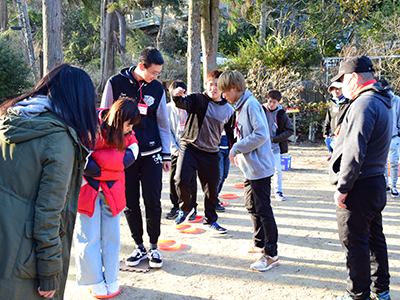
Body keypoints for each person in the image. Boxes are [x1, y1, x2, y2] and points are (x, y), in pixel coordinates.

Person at [0, 64, 98, 300]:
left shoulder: (10, 119)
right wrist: (49, 274)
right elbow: (48, 214)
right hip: (22, 256)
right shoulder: (59, 140)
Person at [101, 47, 171, 269]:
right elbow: (104, 116)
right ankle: (139, 246)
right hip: (124, 155)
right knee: (130, 202)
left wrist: (166, 153)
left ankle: (154, 246)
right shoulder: (115, 83)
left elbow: (163, 123)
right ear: (141, 66)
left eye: (159, 72)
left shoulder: (157, 88)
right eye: (153, 72)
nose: (156, 76)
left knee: (153, 200)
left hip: (151, 153)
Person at [329, 56, 392, 300]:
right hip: (374, 181)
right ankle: (381, 290)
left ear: (354, 78)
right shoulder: (382, 100)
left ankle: (357, 295)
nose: (342, 86)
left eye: (343, 80)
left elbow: (355, 150)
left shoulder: (364, 103)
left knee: (355, 244)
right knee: (375, 239)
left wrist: (343, 187)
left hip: (359, 185)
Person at [74, 98, 140, 298]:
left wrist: (100, 162)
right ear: (119, 119)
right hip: (89, 189)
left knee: (112, 236)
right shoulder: (90, 125)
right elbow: (82, 157)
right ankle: (94, 280)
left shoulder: (126, 132)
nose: (130, 130)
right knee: (88, 235)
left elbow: (133, 150)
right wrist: (114, 162)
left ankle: (111, 277)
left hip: (113, 190)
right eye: (128, 125)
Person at [218, 70, 279, 271]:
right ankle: (259, 243)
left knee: (263, 209)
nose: (223, 96)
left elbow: (261, 134)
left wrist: (237, 148)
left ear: (234, 88)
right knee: (251, 205)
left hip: (260, 168)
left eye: (225, 91)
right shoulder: (240, 106)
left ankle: (271, 254)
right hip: (250, 169)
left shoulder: (251, 105)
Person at [171, 69, 234, 233]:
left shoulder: (228, 110)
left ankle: (210, 221)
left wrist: (234, 151)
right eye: (210, 85)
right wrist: (176, 95)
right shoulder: (196, 98)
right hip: (190, 147)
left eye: (217, 86)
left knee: (211, 190)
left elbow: (230, 133)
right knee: (181, 180)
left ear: (223, 88)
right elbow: (180, 103)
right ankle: (185, 209)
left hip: (211, 152)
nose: (213, 89)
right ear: (206, 85)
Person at [166, 80, 198, 220]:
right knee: (174, 179)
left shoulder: (190, 106)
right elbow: (166, 131)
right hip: (175, 149)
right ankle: (175, 206)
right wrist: (175, 148)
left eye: (182, 92)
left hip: (190, 149)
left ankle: (192, 207)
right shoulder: (166, 108)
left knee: (191, 180)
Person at [263, 90, 294, 201]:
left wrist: (275, 139)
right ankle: (264, 192)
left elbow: (290, 130)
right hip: (261, 147)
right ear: (267, 100)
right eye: (270, 101)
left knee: (277, 170)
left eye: (274, 102)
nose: (271, 104)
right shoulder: (261, 110)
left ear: (278, 102)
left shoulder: (282, 114)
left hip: (275, 146)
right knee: (262, 170)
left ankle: (278, 191)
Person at [378, 79, 400, 198]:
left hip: (393, 136)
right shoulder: (377, 100)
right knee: (383, 163)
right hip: (381, 136)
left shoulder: (395, 100)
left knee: (393, 162)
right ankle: (385, 184)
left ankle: (394, 185)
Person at [323, 81, 351, 157]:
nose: (335, 91)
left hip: (344, 135)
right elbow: (328, 118)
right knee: (333, 156)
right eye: (333, 89)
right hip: (333, 135)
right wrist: (325, 132)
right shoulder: (332, 103)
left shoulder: (348, 103)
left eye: (338, 89)